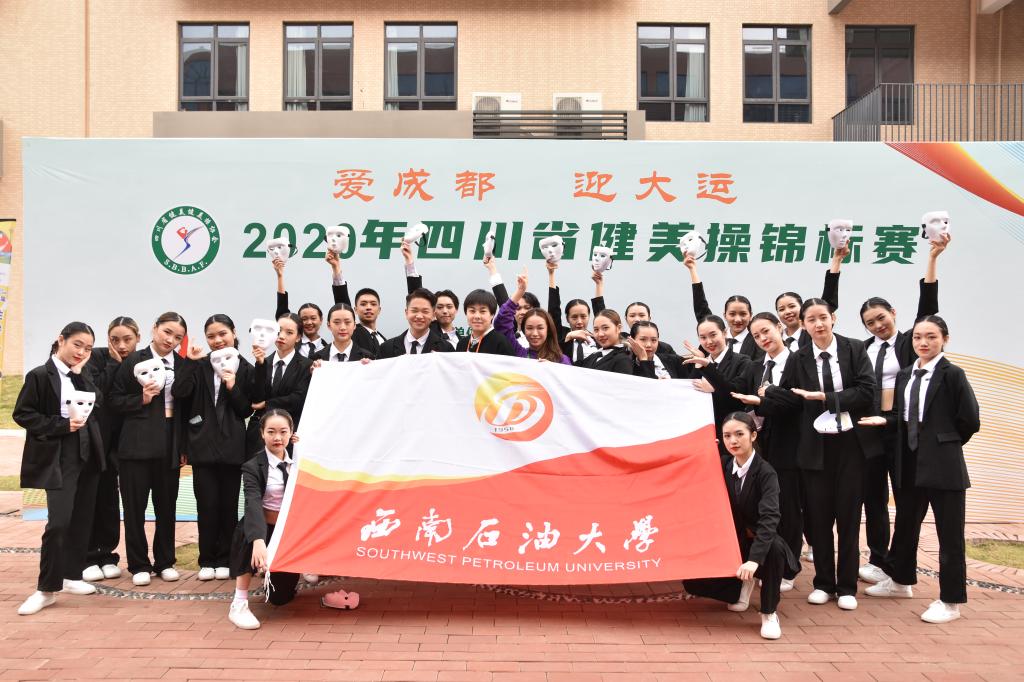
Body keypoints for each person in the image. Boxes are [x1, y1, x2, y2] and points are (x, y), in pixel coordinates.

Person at [741, 298, 881, 610]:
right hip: (814, 447)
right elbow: (792, 400)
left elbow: (866, 391)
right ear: (803, 325)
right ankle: (823, 583)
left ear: (833, 319)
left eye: (822, 318)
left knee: (848, 517)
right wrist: (763, 400)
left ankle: (846, 587)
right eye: (811, 320)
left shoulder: (854, 349)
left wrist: (826, 398)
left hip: (850, 445)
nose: (818, 324)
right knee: (819, 517)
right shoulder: (799, 357)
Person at [860, 315, 979, 624]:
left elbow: (969, 420)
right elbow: (902, 414)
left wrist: (944, 443)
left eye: (931, 337)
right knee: (906, 525)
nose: (923, 343)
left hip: (943, 465)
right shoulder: (906, 374)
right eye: (917, 337)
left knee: (949, 535)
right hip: (909, 462)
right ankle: (900, 582)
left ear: (945, 339)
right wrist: (885, 420)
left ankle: (951, 601)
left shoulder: (953, 374)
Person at [856, 233, 948, 585]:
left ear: (893, 313)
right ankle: (878, 559)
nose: (878, 326)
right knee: (873, 499)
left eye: (881, 318)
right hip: (870, 432)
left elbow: (928, 309)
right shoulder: (862, 349)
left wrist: (932, 259)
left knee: (906, 500)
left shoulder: (911, 341)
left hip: (901, 431)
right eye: (870, 323)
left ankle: (899, 565)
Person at [697, 312, 803, 592]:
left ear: (779, 328)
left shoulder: (798, 361)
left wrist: (763, 399)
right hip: (759, 444)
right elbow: (733, 392)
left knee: (787, 508)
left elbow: (796, 402)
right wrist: (709, 368)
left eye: (766, 331)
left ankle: (788, 569)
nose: (763, 338)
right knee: (758, 506)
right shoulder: (757, 367)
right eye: (756, 336)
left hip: (788, 445)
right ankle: (761, 563)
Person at [227, 409, 360, 629]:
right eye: (271, 432)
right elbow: (252, 504)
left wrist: (305, 448)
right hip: (264, 527)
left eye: (283, 432)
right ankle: (239, 603)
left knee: (280, 598)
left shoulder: (300, 461)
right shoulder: (252, 466)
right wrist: (258, 541)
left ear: (291, 433)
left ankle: (282, 571)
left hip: (289, 532)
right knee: (247, 534)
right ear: (262, 433)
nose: (277, 437)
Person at [15, 322, 106, 615]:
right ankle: (46, 589)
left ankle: (71, 575)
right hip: (58, 455)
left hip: (88, 453)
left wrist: (81, 376)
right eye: (77, 345)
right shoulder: (40, 376)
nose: (82, 352)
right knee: (58, 523)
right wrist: (61, 425)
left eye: (88, 348)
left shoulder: (83, 374)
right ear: (61, 340)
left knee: (82, 519)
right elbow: (23, 414)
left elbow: (98, 402)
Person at [683, 412, 796, 640]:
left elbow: (770, 519)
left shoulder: (766, 473)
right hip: (732, 541)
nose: (733, 441)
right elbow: (692, 469)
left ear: (753, 435)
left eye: (739, 434)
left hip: (761, 542)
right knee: (692, 582)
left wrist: (754, 560)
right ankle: (742, 586)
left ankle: (769, 613)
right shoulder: (723, 465)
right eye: (727, 436)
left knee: (773, 548)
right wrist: (703, 449)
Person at [108, 312, 188, 587]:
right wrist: (140, 399)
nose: (171, 340)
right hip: (135, 445)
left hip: (169, 444)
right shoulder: (133, 360)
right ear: (154, 328)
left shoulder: (182, 365)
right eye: (167, 332)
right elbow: (113, 400)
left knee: (166, 507)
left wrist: (182, 446)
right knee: (134, 509)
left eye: (177, 337)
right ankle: (139, 564)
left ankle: (165, 562)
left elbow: (187, 409)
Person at [173, 314, 254, 581]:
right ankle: (207, 560)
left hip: (232, 447)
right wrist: (190, 362)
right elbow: (180, 393)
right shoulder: (200, 364)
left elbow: (245, 409)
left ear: (233, 333)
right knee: (206, 505)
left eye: (222, 334)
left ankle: (226, 559)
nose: (217, 340)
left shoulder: (246, 368)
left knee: (229, 506)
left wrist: (232, 386)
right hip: (202, 446)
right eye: (211, 336)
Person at [81, 316, 140, 582]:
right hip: (93, 444)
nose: (121, 345)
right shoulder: (95, 358)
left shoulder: (140, 362)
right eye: (115, 339)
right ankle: (87, 557)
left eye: (127, 339)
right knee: (88, 501)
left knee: (109, 502)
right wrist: (114, 364)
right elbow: (97, 394)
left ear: (138, 338)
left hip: (120, 446)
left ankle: (107, 555)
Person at [246, 313, 312, 456]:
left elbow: (298, 398)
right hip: (260, 435)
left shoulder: (306, 366)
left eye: (289, 332)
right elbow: (256, 398)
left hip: (290, 435)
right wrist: (260, 364)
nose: (282, 336)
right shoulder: (263, 362)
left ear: (298, 337)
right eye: (279, 331)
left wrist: (267, 404)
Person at [773, 244, 846, 351]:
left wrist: (837, 260)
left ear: (802, 308)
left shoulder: (813, 331)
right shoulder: (774, 337)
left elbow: (828, 301)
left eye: (792, 306)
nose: (787, 312)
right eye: (781, 309)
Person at [494, 268, 571, 364]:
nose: (534, 333)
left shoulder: (562, 360)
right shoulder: (519, 353)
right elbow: (501, 323)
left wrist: (552, 369)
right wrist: (520, 291)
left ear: (548, 330)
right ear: (524, 330)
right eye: (529, 328)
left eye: (540, 328)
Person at [271, 256, 330, 358]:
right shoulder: (291, 343)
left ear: (321, 320)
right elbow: (282, 309)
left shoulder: (329, 349)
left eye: (313, 318)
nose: (309, 322)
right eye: (304, 319)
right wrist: (280, 276)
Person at [377, 289, 456, 358]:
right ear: (406, 313)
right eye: (414, 311)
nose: (419, 316)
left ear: (433, 315)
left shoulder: (446, 349)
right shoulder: (386, 348)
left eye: (425, 311)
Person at [546, 261, 597, 363]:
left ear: (589, 316)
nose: (579, 321)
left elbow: (603, 315)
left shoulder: (597, 339)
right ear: (567, 318)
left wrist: (599, 285)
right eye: (574, 317)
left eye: (583, 316)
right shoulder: (562, 336)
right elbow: (553, 311)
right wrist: (551, 274)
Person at [455, 289, 516, 355]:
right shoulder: (461, 344)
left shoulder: (501, 343)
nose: (477, 316)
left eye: (482, 311)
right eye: (472, 311)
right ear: (466, 313)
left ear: (492, 315)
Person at [312, 303, 376, 364]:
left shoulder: (367, 357)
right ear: (329, 325)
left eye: (347, 322)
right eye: (337, 322)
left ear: (354, 325)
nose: (343, 327)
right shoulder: (316, 358)